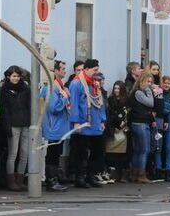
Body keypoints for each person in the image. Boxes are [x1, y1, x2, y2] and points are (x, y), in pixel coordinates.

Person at [69, 59, 107, 188]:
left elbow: (99, 102)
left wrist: (102, 120)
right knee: (81, 153)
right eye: (94, 70)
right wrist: (75, 122)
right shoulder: (76, 83)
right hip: (83, 124)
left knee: (98, 151)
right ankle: (80, 177)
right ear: (86, 69)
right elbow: (73, 104)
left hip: (95, 123)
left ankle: (91, 175)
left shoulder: (95, 84)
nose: (96, 73)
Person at [40, 60, 71, 192]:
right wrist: (65, 98)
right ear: (55, 71)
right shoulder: (53, 87)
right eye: (62, 68)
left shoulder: (59, 85)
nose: (65, 70)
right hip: (54, 126)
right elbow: (54, 108)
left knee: (56, 153)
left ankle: (53, 180)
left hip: (58, 126)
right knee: (53, 154)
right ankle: (51, 182)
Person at [127, 72, 163, 184]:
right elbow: (150, 103)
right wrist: (149, 90)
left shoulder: (137, 92)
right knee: (144, 149)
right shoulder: (139, 92)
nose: (150, 84)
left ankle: (135, 173)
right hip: (140, 123)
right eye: (147, 81)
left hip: (141, 122)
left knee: (138, 150)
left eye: (151, 82)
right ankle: (141, 174)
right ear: (141, 81)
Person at [0, 65, 31, 192]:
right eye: (14, 76)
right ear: (8, 76)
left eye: (18, 76)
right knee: (12, 154)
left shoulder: (26, 89)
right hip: (12, 124)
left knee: (24, 154)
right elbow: (4, 109)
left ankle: (20, 180)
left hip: (25, 124)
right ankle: (11, 181)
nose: (16, 78)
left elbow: (29, 106)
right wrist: (6, 125)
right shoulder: (5, 90)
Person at [103, 80, 128, 183]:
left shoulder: (126, 100)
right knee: (111, 151)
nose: (116, 90)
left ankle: (120, 174)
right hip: (113, 129)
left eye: (118, 88)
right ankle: (111, 173)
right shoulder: (110, 100)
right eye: (115, 88)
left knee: (121, 153)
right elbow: (110, 114)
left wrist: (124, 123)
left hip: (123, 129)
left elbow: (128, 113)